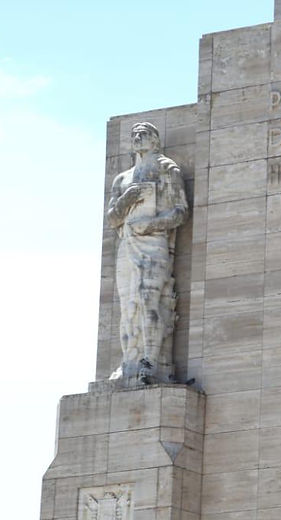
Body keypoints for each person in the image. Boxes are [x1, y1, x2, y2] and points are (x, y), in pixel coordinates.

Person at [107, 122, 188, 383]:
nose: (138, 137)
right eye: (134, 134)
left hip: (154, 242)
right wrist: (127, 199)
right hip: (127, 242)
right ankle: (129, 361)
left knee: (148, 300)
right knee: (128, 306)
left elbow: (180, 211)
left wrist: (151, 224)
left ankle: (152, 362)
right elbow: (112, 218)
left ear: (155, 140)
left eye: (145, 133)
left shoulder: (167, 168)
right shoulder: (122, 178)